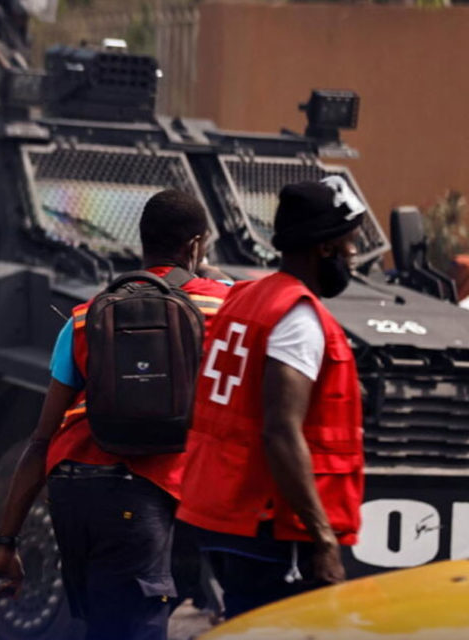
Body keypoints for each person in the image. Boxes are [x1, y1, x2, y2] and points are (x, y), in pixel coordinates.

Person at [0, 190, 231, 640]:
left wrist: (5, 541)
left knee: (105, 625)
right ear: (196, 246)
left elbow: (42, 437)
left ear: (142, 242)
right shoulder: (224, 306)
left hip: (77, 491)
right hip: (151, 490)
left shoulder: (86, 316)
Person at [176, 177, 367, 618]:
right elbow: (280, 431)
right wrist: (322, 538)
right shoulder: (297, 316)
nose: (353, 256)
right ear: (325, 249)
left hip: (220, 507)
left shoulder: (247, 297)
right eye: (350, 244)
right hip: (265, 519)